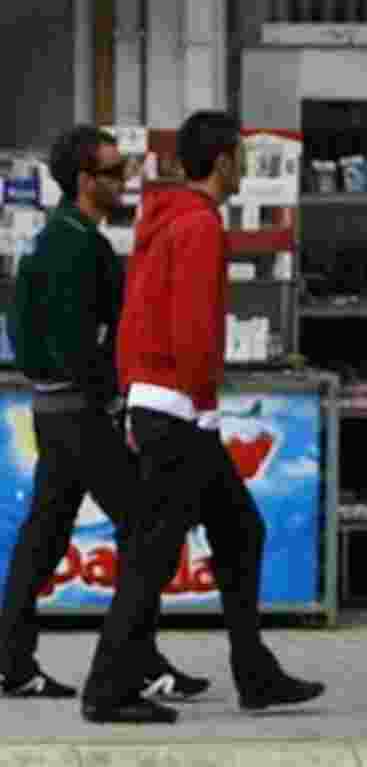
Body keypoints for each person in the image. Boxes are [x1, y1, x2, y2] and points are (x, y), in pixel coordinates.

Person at [79, 111, 325, 724]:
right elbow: (193, 331)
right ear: (221, 162)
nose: (243, 167)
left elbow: (143, 320)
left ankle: (254, 673)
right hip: (179, 409)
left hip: (165, 404)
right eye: (239, 157)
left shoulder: (165, 221)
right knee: (154, 553)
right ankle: (107, 688)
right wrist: (201, 407)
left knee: (238, 530)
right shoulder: (201, 227)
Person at [0, 125, 207, 701]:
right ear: (86, 181)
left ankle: (12, 661)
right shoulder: (76, 246)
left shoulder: (54, 237)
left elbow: (26, 331)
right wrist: (114, 399)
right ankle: (134, 664)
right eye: (114, 172)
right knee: (146, 530)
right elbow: (79, 343)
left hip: (55, 411)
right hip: (82, 413)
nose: (125, 182)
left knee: (43, 535)